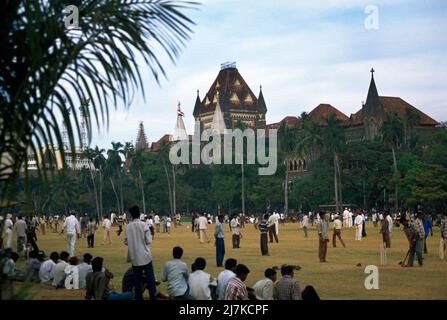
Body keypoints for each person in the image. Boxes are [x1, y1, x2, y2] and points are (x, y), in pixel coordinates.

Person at [124, 205, 157, 300]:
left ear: (131, 215)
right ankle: (153, 296)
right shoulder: (144, 225)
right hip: (145, 256)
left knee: (137, 280)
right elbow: (148, 241)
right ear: (139, 214)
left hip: (135, 257)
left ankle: (138, 297)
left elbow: (126, 241)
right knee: (150, 278)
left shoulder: (128, 226)